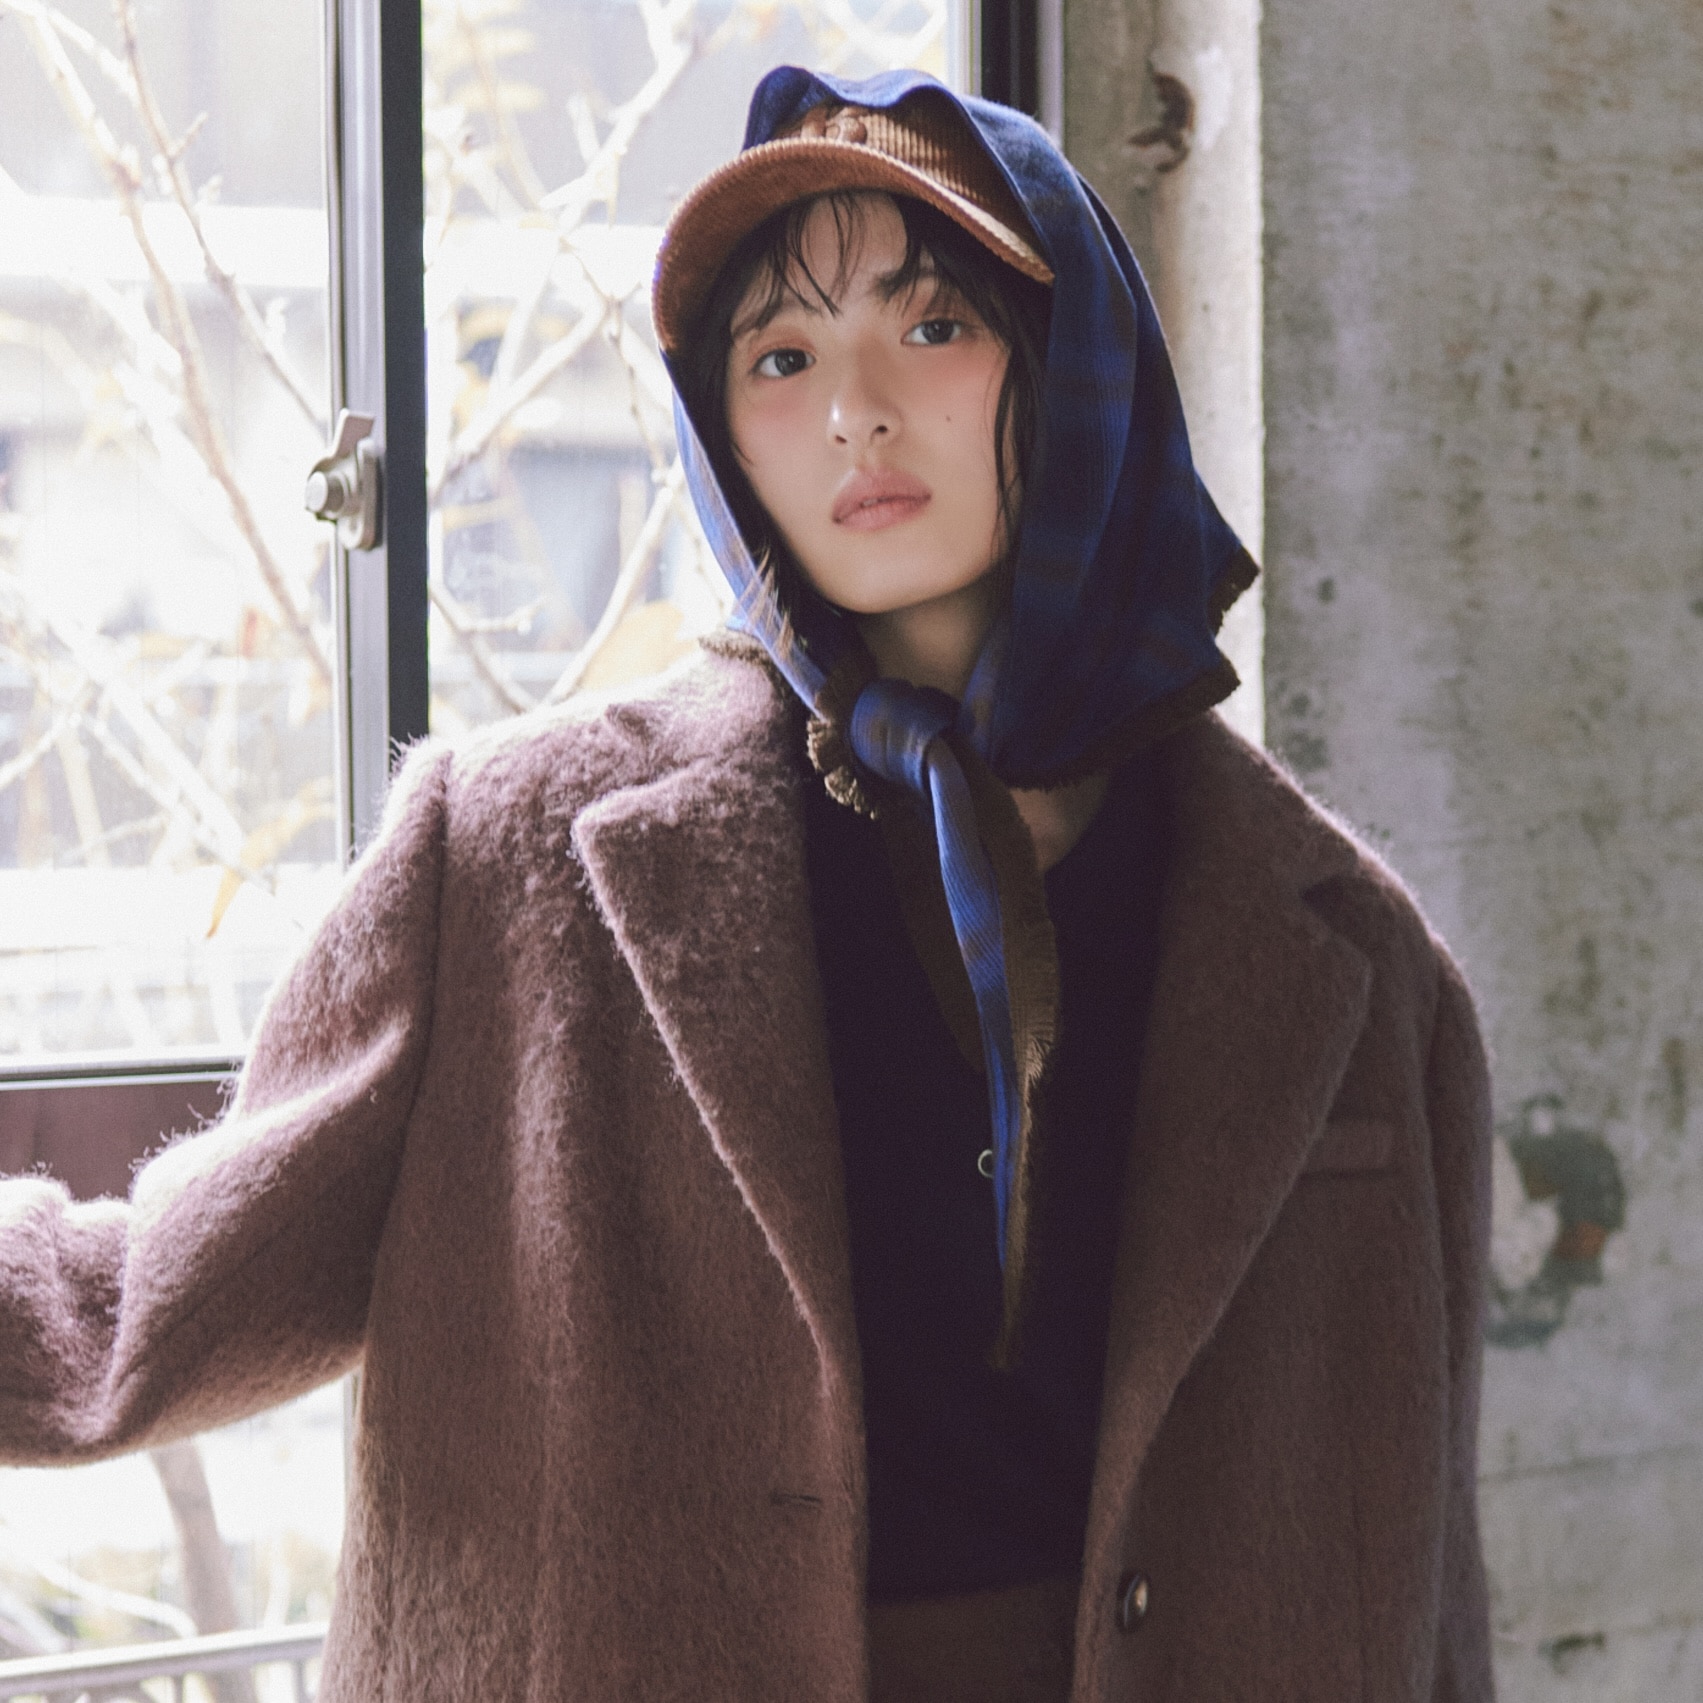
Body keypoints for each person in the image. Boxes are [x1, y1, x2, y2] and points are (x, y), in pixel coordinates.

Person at [0, 67, 1495, 1703]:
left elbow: (1424, 1580)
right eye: (781, 358)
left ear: (1080, 365)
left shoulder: (1352, 955)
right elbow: (149, 1306)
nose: (856, 410)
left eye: (934, 326)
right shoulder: (513, 856)